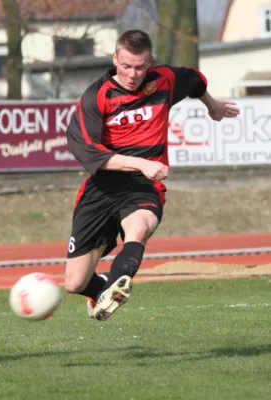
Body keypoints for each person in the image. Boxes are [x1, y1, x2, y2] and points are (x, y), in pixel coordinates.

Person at [63, 29, 240, 321]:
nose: (133, 74)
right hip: (102, 189)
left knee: (140, 227)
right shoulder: (96, 96)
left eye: (140, 67)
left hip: (143, 188)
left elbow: (195, 80)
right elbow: (89, 153)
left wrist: (212, 105)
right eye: (126, 66)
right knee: (74, 282)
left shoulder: (164, 80)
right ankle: (104, 289)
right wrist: (140, 163)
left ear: (150, 62)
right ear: (115, 59)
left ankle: (118, 286)